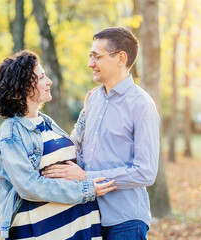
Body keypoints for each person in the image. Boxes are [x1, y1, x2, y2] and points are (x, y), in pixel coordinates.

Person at [43, 27, 160, 239]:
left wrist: (88, 178)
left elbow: (146, 172)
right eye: (90, 56)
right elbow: (80, 150)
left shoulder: (142, 105)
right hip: (86, 218)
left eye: (96, 56)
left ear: (120, 58)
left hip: (124, 221)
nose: (90, 64)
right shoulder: (93, 99)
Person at [0, 50, 117, 239]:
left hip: (76, 223)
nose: (49, 81)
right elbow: (29, 186)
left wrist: (84, 116)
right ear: (23, 87)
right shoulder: (11, 131)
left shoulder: (45, 121)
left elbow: (68, 152)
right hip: (45, 230)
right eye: (42, 77)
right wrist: (85, 190)